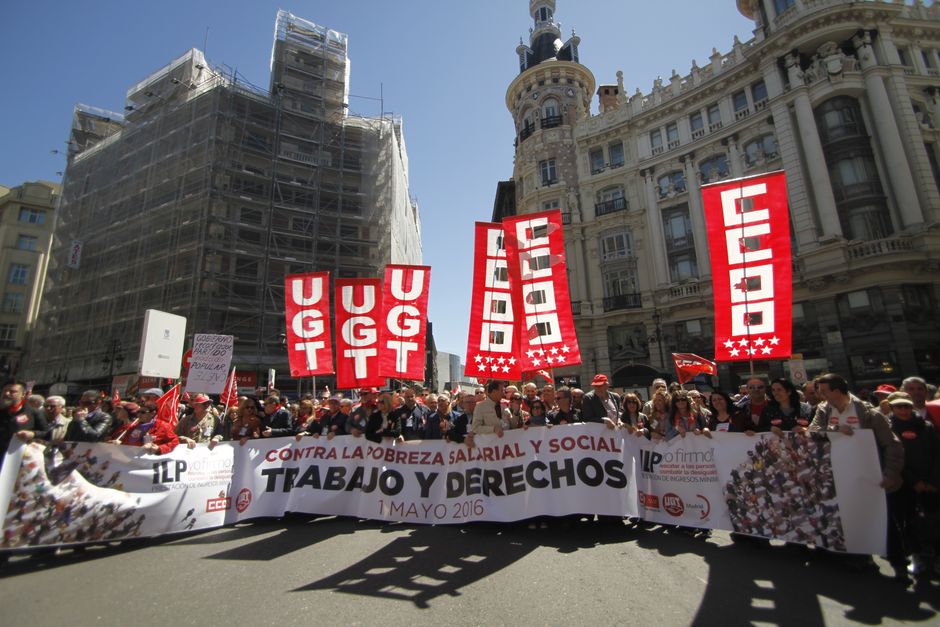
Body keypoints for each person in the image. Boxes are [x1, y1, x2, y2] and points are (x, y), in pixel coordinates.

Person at [809, 372, 905, 579]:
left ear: (836, 391)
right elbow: (814, 431)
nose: (820, 394)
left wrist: (890, 473)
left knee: (884, 520)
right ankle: (860, 557)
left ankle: (900, 565)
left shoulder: (868, 413)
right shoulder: (824, 410)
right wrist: (835, 429)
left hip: (871, 474)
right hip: (840, 474)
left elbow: (891, 444)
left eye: (824, 391)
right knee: (849, 517)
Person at [884, 391, 940, 579]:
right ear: (892, 408)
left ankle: (936, 556)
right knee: (909, 522)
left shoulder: (927, 427)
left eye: (906, 406)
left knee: (934, 520)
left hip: (931, 482)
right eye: (899, 406)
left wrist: (932, 480)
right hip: (905, 483)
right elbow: (893, 458)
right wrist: (913, 481)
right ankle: (918, 556)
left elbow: (937, 454)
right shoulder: (887, 428)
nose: (903, 410)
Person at [0, 382, 48, 467]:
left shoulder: (34, 413)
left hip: (20, 459)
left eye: (12, 391)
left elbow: (46, 432)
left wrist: (33, 434)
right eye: (5, 391)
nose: (6, 394)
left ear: (23, 395)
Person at [109, 405, 179, 454]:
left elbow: (175, 441)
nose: (139, 415)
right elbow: (127, 445)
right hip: (134, 463)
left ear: (152, 413)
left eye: (142, 412)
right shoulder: (133, 427)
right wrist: (119, 444)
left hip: (152, 464)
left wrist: (159, 448)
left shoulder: (163, 426)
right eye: (138, 412)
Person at [467, 380, 512, 447]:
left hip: (506, 445)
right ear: (494, 392)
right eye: (501, 391)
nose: (503, 394)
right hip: (490, 447)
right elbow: (475, 428)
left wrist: (515, 415)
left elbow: (512, 425)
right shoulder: (480, 407)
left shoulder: (504, 406)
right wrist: (493, 429)